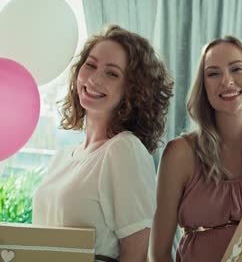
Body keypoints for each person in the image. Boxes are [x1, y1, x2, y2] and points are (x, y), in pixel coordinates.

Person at [150, 35, 242, 262]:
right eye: (213, 73)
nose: (226, 81)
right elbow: (158, 254)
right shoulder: (180, 154)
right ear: (203, 86)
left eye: (237, 69)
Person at [33, 25, 173, 262]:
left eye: (112, 73)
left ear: (133, 90)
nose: (94, 79)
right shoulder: (63, 158)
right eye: (90, 65)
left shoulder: (124, 149)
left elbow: (136, 254)